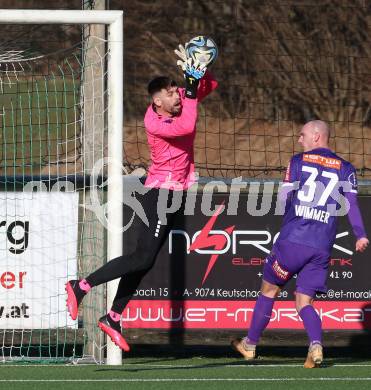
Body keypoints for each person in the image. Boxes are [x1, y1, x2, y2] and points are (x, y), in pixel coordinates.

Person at [65, 49, 218, 351]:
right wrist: (189, 87)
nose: (178, 97)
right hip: (161, 194)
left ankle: (113, 316)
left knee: (143, 262)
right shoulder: (155, 121)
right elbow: (187, 126)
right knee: (142, 258)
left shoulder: (180, 106)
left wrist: (200, 71)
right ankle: (81, 286)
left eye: (178, 92)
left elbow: (208, 87)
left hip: (175, 194)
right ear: (157, 101)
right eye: (172, 94)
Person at [231, 120, 369, 367]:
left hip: (294, 239)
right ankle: (315, 344)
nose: (299, 139)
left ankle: (250, 344)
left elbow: (285, 198)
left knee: (269, 290)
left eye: (302, 134)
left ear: (316, 136)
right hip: (322, 246)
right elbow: (353, 205)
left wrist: (290, 219)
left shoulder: (297, 161)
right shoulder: (346, 167)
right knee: (304, 302)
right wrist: (360, 234)